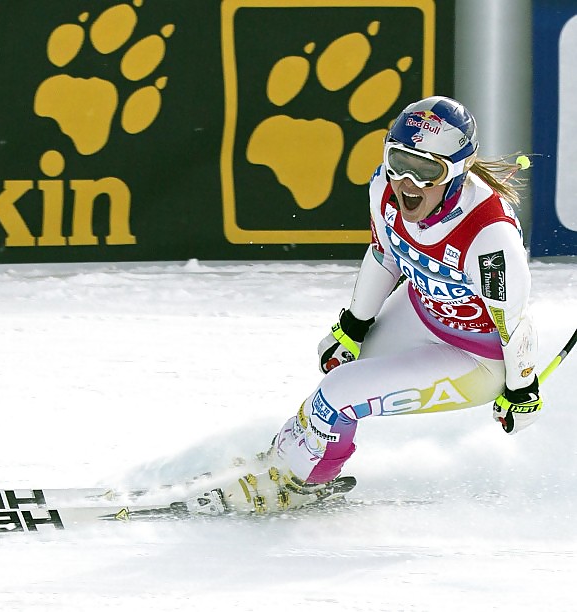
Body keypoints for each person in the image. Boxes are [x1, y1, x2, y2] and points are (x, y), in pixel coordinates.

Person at [216, 96, 542, 515]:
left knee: (337, 396)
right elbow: (385, 255)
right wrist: (352, 326)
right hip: (424, 309)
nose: (407, 182)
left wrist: (522, 391)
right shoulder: (383, 189)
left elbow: (513, 325)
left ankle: (301, 481)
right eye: (399, 161)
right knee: (334, 373)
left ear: (458, 171)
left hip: (479, 356)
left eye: (428, 171)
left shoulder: (489, 237)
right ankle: (288, 457)